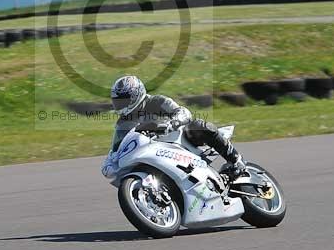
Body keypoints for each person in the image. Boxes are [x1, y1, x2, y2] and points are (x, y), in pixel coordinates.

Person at [102, 75, 245, 179]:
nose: (120, 105)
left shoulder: (156, 101)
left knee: (198, 126)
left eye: (123, 100)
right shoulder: (123, 122)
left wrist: (171, 124)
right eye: (117, 101)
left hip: (178, 140)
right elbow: (119, 145)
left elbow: (183, 112)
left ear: (135, 95)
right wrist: (111, 160)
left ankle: (236, 160)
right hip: (152, 151)